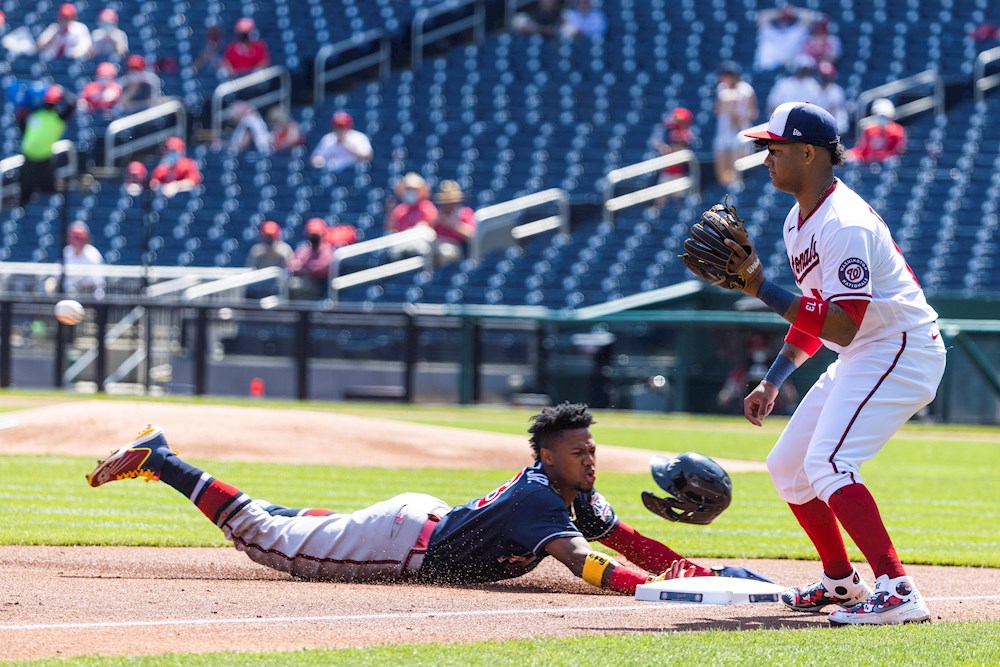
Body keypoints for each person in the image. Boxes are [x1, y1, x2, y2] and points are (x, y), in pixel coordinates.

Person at [85, 403, 769, 591]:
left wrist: (710, 577)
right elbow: (586, 564)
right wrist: (652, 593)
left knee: (296, 526)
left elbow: (632, 544)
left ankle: (166, 455)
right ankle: (164, 460)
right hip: (401, 545)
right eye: (579, 450)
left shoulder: (575, 493)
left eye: (592, 449)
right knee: (266, 542)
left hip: (420, 520)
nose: (592, 458)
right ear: (547, 455)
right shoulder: (543, 500)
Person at [721, 101, 945, 625]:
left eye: (773, 148)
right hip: (867, 350)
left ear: (808, 152)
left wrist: (760, 287)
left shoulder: (844, 222)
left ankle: (897, 588)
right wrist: (774, 378)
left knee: (829, 462)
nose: (766, 158)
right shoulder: (798, 221)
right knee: (788, 467)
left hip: (900, 348)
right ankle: (841, 582)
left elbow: (842, 324)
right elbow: (820, 314)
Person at [18, 84, 76, 206]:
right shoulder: (36, 115)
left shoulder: (57, 118)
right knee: (25, 195)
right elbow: (21, 119)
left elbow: (73, 104)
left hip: (42, 160)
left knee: (47, 194)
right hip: (29, 158)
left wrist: (61, 90)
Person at [716, 334, 797, 414]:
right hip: (743, 414)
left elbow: (791, 397)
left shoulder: (777, 371)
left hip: (773, 414)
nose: (758, 351)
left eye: (762, 348)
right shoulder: (740, 371)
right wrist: (736, 389)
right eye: (754, 348)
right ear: (748, 350)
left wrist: (777, 387)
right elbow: (723, 399)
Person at [713, 61, 758, 187]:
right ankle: (725, 187)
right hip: (724, 131)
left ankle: (737, 187)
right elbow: (718, 109)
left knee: (738, 165)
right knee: (722, 165)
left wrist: (739, 116)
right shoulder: (721, 89)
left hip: (740, 131)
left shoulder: (746, 89)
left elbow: (753, 112)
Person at [648, 106, 696, 207]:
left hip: (681, 174)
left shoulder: (687, 134)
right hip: (667, 171)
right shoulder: (668, 131)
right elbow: (657, 143)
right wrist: (664, 148)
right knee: (659, 201)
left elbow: (685, 150)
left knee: (680, 202)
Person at [753, 4, 817, 72]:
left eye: (787, 20)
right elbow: (762, 16)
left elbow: (808, 16)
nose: (783, 22)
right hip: (767, 69)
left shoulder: (796, 32)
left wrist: (792, 12)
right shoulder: (769, 31)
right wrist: (780, 13)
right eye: (781, 20)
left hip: (790, 70)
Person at [846, 98, 907, 164]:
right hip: (869, 164)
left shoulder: (897, 131)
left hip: (885, 164)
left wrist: (882, 156)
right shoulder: (869, 130)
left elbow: (898, 153)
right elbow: (862, 150)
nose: (881, 118)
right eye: (878, 115)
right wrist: (852, 154)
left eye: (884, 116)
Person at [431, 180, 477, 267]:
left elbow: (471, 234)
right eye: (445, 201)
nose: (447, 204)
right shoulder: (438, 215)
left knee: (443, 251)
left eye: (450, 201)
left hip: (456, 248)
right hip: (437, 245)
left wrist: (452, 225)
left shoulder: (464, 213)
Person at [287, 217, 334, 300]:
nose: (313, 237)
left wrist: (304, 268)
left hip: (318, 284)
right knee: (283, 285)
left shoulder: (327, 249)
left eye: (316, 234)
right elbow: (291, 265)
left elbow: (324, 268)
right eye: (311, 234)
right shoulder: (304, 249)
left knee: (292, 286)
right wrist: (302, 268)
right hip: (303, 281)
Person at [62, 221, 106, 298]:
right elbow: (57, 277)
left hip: (89, 297)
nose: (77, 241)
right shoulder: (66, 252)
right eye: (74, 237)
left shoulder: (92, 254)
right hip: (67, 295)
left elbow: (95, 282)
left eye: (79, 238)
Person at [814, 62, 849, 135]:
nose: (825, 78)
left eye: (828, 76)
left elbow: (830, 108)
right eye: (823, 76)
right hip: (821, 127)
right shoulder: (815, 89)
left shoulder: (836, 90)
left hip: (837, 125)